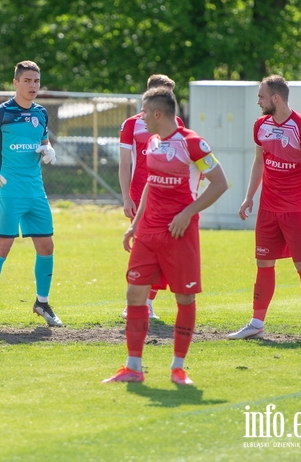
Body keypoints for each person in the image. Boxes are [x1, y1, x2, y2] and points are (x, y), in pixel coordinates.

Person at [104, 87, 228, 384]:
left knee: (184, 297)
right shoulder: (154, 142)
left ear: (158, 113)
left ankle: (178, 367)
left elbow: (220, 183)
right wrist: (136, 224)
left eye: (145, 112)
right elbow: (150, 185)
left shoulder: (193, 144)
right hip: (148, 232)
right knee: (135, 293)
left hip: (180, 234)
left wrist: (187, 213)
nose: (141, 117)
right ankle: (133, 367)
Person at [229, 75, 301, 342]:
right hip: (268, 207)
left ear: (275, 98)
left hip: (296, 208)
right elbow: (259, 162)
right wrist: (249, 196)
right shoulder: (260, 125)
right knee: (263, 263)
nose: (258, 101)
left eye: (261, 96)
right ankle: (257, 323)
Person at [0, 61, 61, 330]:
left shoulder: (41, 113)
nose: (33, 85)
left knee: (47, 247)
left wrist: (49, 149)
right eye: (28, 81)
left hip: (36, 191)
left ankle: (41, 303)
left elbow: (43, 142)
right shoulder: (1, 113)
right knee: (2, 249)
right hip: (9, 191)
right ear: (16, 83)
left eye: (36, 81)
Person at [118, 74, 185, 320]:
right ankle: (134, 302)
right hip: (140, 196)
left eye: (169, 94)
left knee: (164, 252)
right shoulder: (132, 124)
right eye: (161, 93)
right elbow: (125, 164)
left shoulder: (176, 122)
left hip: (168, 199)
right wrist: (126, 198)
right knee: (143, 251)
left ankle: (147, 302)